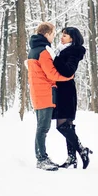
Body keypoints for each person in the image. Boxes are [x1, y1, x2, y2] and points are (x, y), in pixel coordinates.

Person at [27, 22, 73, 171]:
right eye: (53, 34)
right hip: (45, 93)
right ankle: (41, 159)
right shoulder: (43, 52)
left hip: (37, 92)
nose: (54, 37)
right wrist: (68, 77)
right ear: (46, 34)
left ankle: (42, 157)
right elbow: (51, 73)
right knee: (43, 128)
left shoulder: (33, 50)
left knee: (41, 127)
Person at [51, 27, 93, 169]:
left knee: (62, 126)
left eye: (65, 35)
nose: (61, 37)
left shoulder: (74, 51)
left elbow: (69, 70)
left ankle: (82, 150)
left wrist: (55, 58)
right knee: (67, 126)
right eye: (62, 35)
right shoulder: (61, 49)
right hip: (61, 91)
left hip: (66, 92)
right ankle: (72, 158)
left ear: (72, 38)